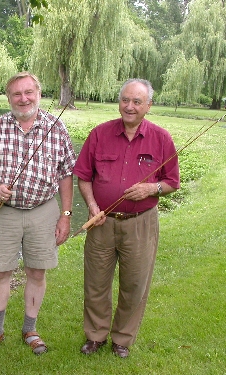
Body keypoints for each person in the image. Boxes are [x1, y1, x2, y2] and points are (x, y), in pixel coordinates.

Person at [73, 78, 180, 358]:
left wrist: (151, 188)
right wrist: (93, 206)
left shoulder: (161, 138)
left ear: (148, 106)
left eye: (136, 102)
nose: (129, 107)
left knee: (135, 284)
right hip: (102, 222)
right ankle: (95, 336)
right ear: (118, 102)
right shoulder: (99, 134)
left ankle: (122, 338)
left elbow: (171, 182)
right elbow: (83, 176)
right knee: (95, 283)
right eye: (125, 100)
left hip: (141, 224)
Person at [0, 71, 76, 355]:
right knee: (0, 271)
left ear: (39, 94)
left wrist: (65, 214)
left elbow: (67, 174)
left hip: (43, 210)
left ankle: (30, 329)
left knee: (36, 271)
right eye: (16, 94)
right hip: (2, 212)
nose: (23, 98)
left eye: (28, 92)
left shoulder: (57, 127)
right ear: (9, 98)